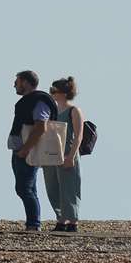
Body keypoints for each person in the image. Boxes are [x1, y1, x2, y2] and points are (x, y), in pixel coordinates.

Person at [7, 70, 56, 232]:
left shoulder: (38, 101)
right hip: (21, 150)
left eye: (17, 81)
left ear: (26, 82)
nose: (14, 84)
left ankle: (34, 225)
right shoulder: (29, 101)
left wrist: (25, 149)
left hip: (27, 152)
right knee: (28, 188)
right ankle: (33, 223)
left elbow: (41, 126)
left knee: (24, 188)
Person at [43, 77, 84, 233]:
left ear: (63, 93)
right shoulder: (52, 111)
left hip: (68, 152)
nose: (51, 93)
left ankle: (72, 220)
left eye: (54, 90)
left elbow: (78, 136)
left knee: (69, 187)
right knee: (53, 187)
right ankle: (60, 218)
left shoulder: (74, 111)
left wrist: (71, 156)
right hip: (53, 153)